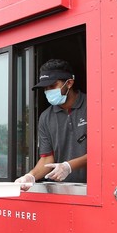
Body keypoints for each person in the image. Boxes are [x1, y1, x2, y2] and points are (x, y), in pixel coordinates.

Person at [16, 59, 87, 190]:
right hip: (64, 190)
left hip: (95, 188)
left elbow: (104, 152)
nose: (48, 91)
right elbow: (47, 159)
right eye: (45, 88)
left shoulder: (92, 106)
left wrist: (69, 166)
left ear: (69, 83)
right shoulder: (45, 117)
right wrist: (30, 176)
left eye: (52, 86)